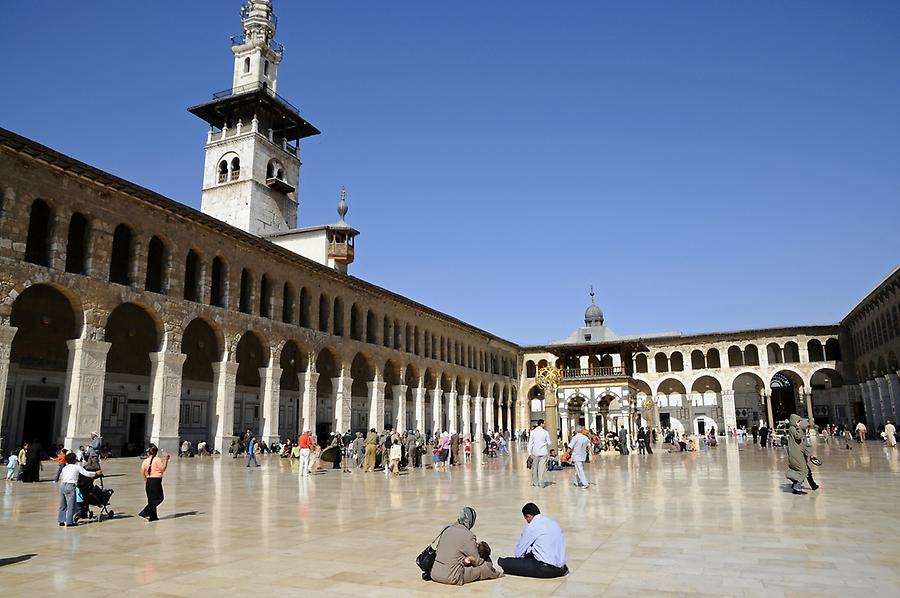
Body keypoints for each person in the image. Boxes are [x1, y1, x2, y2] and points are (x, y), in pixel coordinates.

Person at [429, 507, 500, 585]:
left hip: (434, 573)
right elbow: (477, 561)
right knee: (486, 566)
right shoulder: (469, 535)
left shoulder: (447, 529)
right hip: (451, 576)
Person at [498, 503, 568, 578]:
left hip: (547, 569)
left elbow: (519, 554)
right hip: (562, 568)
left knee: (506, 562)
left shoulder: (532, 526)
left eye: (526, 519)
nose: (527, 521)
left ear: (528, 516)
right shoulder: (553, 522)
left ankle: (503, 562)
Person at [58, 452, 101, 527]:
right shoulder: (76, 467)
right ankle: (69, 522)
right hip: (70, 485)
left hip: (62, 485)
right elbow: (87, 473)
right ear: (74, 460)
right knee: (71, 504)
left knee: (63, 504)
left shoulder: (65, 468)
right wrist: (96, 473)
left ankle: (61, 520)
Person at [785, 415, 819, 495]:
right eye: (799, 421)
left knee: (805, 470)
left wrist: (810, 454)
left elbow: (804, 445)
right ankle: (797, 487)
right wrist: (798, 428)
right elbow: (798, 436)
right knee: (803, 470)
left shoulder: (799, 431)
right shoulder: (792, 429)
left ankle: (810, 485)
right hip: (796, 454)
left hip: (799, 454)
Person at [139, 445, 169, 521]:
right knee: (159, 498)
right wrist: (165, 460)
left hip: (149, 481)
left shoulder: (145, 461)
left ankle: (153, 517)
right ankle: (145, 512)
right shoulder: (157, 460)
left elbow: (142, 472)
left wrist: (146, 479)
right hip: (156, 481)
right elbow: (162, 469)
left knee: (151, 500)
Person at [528, 420, 550, 488]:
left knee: (534, 468)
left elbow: (530, 443)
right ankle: (541, 483)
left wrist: (529, 452)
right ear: (542, 424)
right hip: (543, 452)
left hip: (535, 452)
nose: (545, 425)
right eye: (544, 423)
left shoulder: (533, 432)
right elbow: (549, 442)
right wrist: (545, 443)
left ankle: (535, 483)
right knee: (542, 468)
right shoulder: (545, 432)